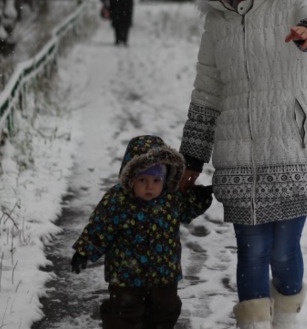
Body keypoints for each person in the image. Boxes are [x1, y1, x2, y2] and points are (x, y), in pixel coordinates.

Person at [177, 0, 307, 329]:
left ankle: (286, 320)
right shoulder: (216, 22)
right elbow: (206, 93)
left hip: (295, 148)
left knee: (283, 252)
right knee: (250, 251)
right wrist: (192, 157)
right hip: (238, 155)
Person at [71, 135, 213, 329]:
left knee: (166, 310)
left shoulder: (172, 198)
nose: (149, 186)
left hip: (164, 272)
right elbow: (100, 227)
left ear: (166, 178)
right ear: (130, 177)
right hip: (125, 275)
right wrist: (84, 251)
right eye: (142, 179)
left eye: (156, 180)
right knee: (122, 313)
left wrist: (202, 196)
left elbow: (188, 208)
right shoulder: (117, 200)